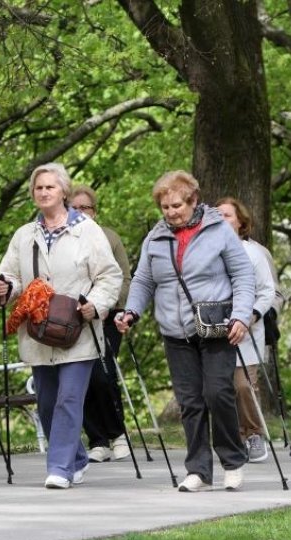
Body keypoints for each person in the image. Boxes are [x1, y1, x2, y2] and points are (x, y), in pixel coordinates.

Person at [115, 170, 255, 492]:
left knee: (217, 393)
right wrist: (131, 311)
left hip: (215, 326)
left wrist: (241, 317)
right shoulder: (155, 237)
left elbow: (243, 276)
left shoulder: (219, 230)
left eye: (177, 205)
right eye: (165, 207)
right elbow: (143, 280)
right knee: (190, 401)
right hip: (175, 330)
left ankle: (232, 461)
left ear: (193, 201)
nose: (171, 212)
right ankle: (199, 471)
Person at [0, 163, 122, 489]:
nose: (44, 192)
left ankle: (60, 468)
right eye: (39, 188)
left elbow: (110, 276)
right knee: (48, 402)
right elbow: (11, 274)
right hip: (39, 333)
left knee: (68, 399)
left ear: (63, 191)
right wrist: (6, 287)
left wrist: (96, 303)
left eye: (50, 187)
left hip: (77, 330)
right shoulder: (25, 235)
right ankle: (77, 457)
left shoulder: (87, 231)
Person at [70, 185, 132, 462]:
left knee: (102, 375)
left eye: (86, 208)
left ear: (95, 211)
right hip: (73, 319)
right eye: (75, 208)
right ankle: (97, 439)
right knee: (79, 379)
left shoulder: (110, 237)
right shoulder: (64, 238)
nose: (81, 213)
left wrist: (108, 306)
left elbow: (124, 277)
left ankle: (117, 434)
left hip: (106, 317)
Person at [215, 197, 275, 463]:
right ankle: (232, 437)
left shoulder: (254, 253)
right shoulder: (208, 253)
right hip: (215, 332)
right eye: (217, 216)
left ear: (240, 221)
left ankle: (253, 433)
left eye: (227, 215)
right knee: (219, 389)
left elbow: (266, 292)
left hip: (246, 332)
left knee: (243, 386)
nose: (222, 220)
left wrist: (250, 316)